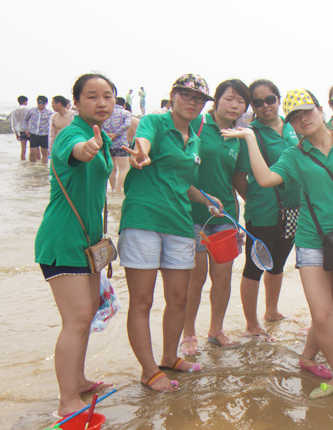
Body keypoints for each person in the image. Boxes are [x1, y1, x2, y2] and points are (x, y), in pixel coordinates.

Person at [223, 88, 333, 399]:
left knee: (331, 312)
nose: (303, 119)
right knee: (321, 314)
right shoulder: (295, 155)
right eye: (295, 117)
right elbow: (265, 179)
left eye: (308, 111)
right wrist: (249, 138)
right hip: (311, 240)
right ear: (290, 123)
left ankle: (307, 357)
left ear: (320, 109)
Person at [118, 74, 222, 392]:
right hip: (144, 220)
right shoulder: (155, 122)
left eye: (199, 99)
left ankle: (169, 357)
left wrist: (206, 199)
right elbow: (143, 144)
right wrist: (141, 153)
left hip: (179, 223)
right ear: (173, 96)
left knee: (179, 297)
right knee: (143, 301)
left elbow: (181, 182)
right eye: (186, 95)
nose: (192, 102)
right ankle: (149, 371)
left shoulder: (195, 140)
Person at [34, 73, 118, 417]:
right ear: (77, 102)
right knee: (77, 318)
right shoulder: (73, 133)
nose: (101, 103)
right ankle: (66, 401)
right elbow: (74, 151)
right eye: (92, 96)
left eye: (107, 96)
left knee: (88, 312)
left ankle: (79, 381)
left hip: (86, 242)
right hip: (63, 240)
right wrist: (87, 149)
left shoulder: (101, 135)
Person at [179, 79, 251, 355]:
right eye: (229, 99)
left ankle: (216, 330)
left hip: (225, 216)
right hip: (191, 214)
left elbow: (238, 180)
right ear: (216, 101)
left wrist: (249, 211)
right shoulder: (197, 125)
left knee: (222, 277)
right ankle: (188, 334)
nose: (235, 106)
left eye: (240, 101)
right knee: (195, 278)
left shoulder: (239, 137)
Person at [238, 79, 301, 338]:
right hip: (263, 211)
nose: (265, 106)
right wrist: (254, 198)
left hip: (294, 210)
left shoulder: (293, 126)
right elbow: (239, 177)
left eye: (270, 99)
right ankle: (252, 324)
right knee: (254, 267)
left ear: (278, 99)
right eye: (258, 102)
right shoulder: (250, 133)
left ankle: (272, 311)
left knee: (278, 263)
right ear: (252, 106)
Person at [105, 97, 132, 193]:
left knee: (112, 169)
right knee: (124, 168)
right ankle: (118, 191)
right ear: (124, 105)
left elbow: (98, 125)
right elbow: (127, 124)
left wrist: (107, 135)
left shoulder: (106, 113)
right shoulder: (125, 113)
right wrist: (116, 134)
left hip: (108, 143)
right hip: (121, 144)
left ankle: (112, 189)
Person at [24, 95, 53, 164]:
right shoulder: (31, 111)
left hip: (44, 135)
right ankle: (33, 167)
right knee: (32, 153)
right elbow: (25, 120)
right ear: (37, 102)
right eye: (39, 102)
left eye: (43, 103)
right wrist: (26, 129)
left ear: (46, 103)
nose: (41, 104)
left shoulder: (50, 113)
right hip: (34, 134)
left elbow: (53, 123)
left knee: (45, 153)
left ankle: (43, 168)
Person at [10, 95, 29, 160]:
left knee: (23, 150)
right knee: (34, 149)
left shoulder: (14, 111)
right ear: (25, 101)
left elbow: (13, 124)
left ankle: (22, 163)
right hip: (29, 131)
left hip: (20, 131)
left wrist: (16, 133)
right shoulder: (28, 110)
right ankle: (34, 163)